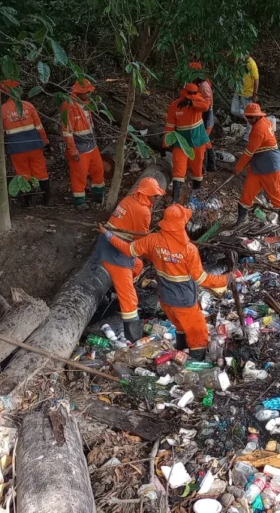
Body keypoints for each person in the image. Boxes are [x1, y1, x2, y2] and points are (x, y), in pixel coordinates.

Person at [103, 204, 228, 360]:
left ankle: (181, 354)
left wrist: (108, 234)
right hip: (185, 302)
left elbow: (128, 250)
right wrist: (226, 278)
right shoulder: (189, 250)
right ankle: (195, 365)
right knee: (198, 335)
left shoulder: (153, 240)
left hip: (166, 300)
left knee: (181, 327)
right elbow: (202, 279)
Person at [95, 177, 165, 342]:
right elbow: (141, 241)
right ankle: (133, 337)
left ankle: (116, 287)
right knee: (129, 298)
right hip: (115, 253)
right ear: (146, 195)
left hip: (108, 244)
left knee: (138, 264)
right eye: (154, 195)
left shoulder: (129, 200)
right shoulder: (142, 211)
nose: (157, 198)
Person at [234, 103, 280, 228]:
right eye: (247, 117)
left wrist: (238, 168)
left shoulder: (259, 130)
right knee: (247, 193)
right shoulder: (263, 122)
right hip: (258, 164)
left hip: (271, 166)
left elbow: (249, 152)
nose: (249, 120)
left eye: (251, 117)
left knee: (276, 194)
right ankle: (241, 221)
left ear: (258, 116)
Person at [1, 80, 51, 205]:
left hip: (17, 148)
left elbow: (0, 131)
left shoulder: (2, 110)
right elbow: (39, 127)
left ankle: (27, 201)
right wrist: (45, 141)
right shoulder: (28, 105)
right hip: (34, 145)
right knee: (40, 171)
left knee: (22, 173)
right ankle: (46, 199)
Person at [60, 79, 104, 210]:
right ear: (78, 92)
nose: (89, 94)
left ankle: (98, 194)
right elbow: (67, 131)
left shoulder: (85, 103)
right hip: (79, 147)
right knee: (79, 174)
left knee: (98, 169)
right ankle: (79, 201)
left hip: (91, 143)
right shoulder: (69, 106)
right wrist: (73, 150)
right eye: (86, 91)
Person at [163, 83, 210, 202]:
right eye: (190, 93)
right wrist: (165, 144)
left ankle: (195, 196)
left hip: (198, 139)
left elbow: (206, 106)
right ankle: (175, 200)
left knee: (197, 167)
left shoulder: (199, 101)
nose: (192, 95)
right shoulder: (175, 105)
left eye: (194, 93)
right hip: (181, 141)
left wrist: (192, 103)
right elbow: (169, 126)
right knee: (178, 168)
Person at [189, 62, 217, 172]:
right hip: (204, 118)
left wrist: (204, 122)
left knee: (201, 143)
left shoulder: (204, 86)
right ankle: (211, 165)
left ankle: (202, 168)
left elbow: (207, 106)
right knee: (206, 142)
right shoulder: (200, 84)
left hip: (206, 118)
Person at [230, 53, 259, 140]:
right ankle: (251, 118)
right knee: (234, 110)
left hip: (247, 94)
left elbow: (256, 80)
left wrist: (254, 94)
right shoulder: (239, 60)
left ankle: (247, 137)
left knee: (249, 115)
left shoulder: (251, 63)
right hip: (238, 91)